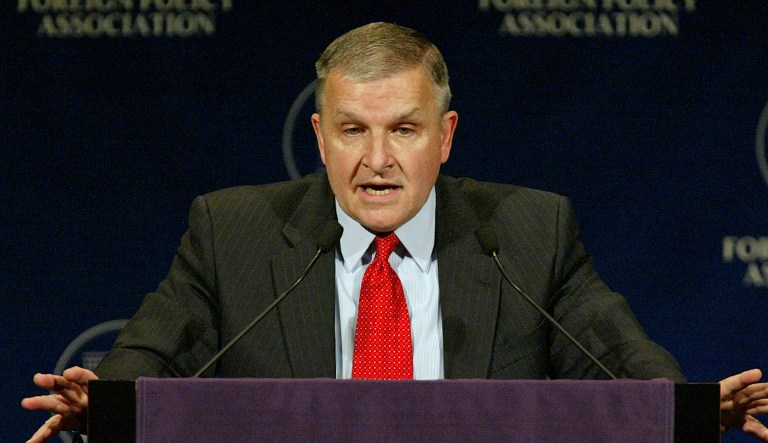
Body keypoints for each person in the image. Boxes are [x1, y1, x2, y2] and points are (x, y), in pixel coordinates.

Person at [22, 22, 768, 442]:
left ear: (444, 137)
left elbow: (624, 362)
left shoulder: (530, 232)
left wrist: (693, 410)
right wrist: (105, 398)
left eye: (403, 129)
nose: (376, 160)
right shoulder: (231, 232)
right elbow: (143, 358)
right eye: (353, 130)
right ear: (319, 137)